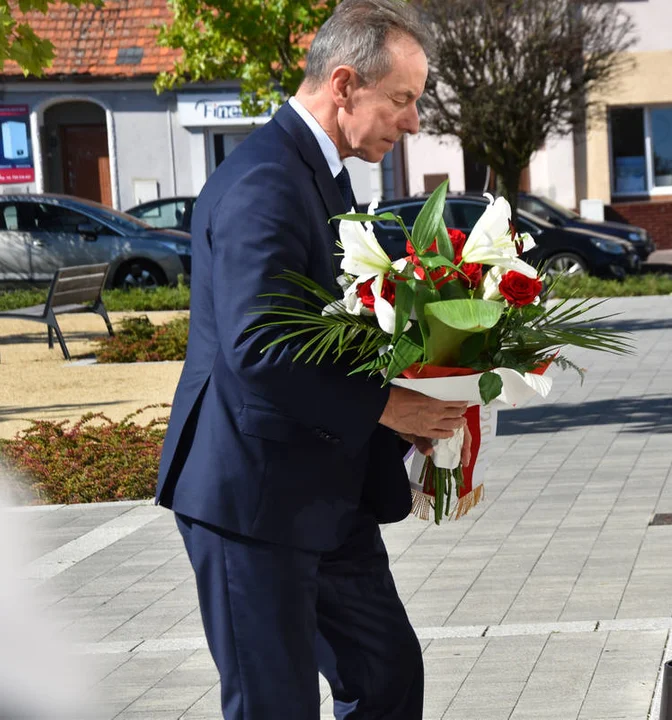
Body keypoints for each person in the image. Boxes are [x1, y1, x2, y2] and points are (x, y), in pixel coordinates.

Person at [155, 2, 465, 717]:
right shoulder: (265, 181)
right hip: (251, 496)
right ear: (345, 84)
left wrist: (418, 384)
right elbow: (258, 346)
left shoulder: (320, 172)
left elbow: (331, 325)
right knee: (275, 706)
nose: (413, 122)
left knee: (386, 676)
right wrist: (390, 406)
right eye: (402, 100)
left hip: (326, 488)